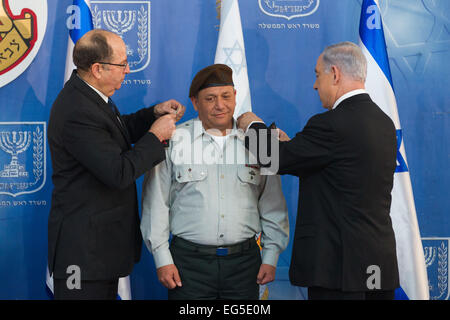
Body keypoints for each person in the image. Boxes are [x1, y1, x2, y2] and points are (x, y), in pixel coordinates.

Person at [237, 42, 400, 300]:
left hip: (340, 271)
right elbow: (341, 169)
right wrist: (297, 149)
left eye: (317, 75)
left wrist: (251, 125)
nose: (315, 85)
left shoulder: (331, 124)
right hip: (376, 265)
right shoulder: (384, 122)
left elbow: (274, 159)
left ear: (335, 74)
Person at [47, 29, 185, 300]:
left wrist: (152, 114)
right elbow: (118, 172)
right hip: (83, 256)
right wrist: (156, 136)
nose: (128, 70)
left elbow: (114, 135)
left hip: (99, 251)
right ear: (98, 69)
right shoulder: (77, 110)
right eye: (122, 64)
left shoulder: (88, 95)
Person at [140, 64, 289, 300]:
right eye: (210, 98)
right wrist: (162, 258)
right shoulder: (173, 140)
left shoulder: (260, 143)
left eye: (226, 96)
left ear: (235, 96)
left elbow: (273, 205)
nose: (220, 105)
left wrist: (271, 255)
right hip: (188, 265)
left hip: (244, 265)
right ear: (195, 102)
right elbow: (155, 203)